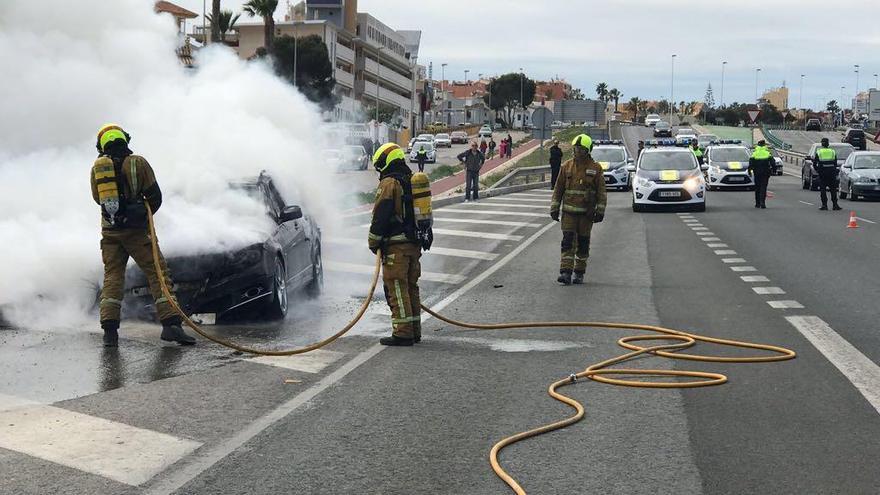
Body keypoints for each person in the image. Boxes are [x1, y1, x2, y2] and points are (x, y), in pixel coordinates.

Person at [90, 124, 195, 347]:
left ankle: (110, 334)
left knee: (112, 279)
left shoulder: (98, 168)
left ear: (102, 145)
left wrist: (118, 213)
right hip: (138, 233)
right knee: (158, 273)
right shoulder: (138, 163)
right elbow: (155, 195)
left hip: (110, 233)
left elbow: (98, 199)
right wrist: (139, 215)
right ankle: (171, 325)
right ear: (125, 140)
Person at [368, 143, 430, 346]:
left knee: (397, 287)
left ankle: (403, 333)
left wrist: (373, 241)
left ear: (385, 161)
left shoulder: (389, 183)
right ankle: (415, 330)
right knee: (411, 286)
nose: (379, 171)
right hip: (414, 244)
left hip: (397, 246)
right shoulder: (411, 180)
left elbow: (381, 215)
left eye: (379, 166)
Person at [550, 134, 607, 285]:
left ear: (588, 151)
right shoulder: (566, 166)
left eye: (581, 149)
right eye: (576, 149)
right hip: (568, 213)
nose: (578, 152)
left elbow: (601, 192)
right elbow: (558, 189)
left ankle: (579, 272)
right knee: (567, 242)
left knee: (583, 244)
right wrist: (554, 208)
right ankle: (565, 272)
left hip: (586, 215)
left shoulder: (596, 169)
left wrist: (600, 211)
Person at [813, 137, 842, 210]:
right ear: (828, 143)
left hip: (822, 174)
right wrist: (834, 171)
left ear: (822, 144)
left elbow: (814, 164)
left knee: (823, 190)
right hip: (831, 174)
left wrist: (818, 171)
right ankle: (835, 205)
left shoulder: (819, 152)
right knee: (833, 190)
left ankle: (824, 205)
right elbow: (835, 163)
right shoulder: (832, 151)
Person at [748, 139, 773, 209]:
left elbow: (751, 163)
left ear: (758, 145)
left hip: (757, 172)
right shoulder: (767, 152)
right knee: (763, 187)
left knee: (757, 188)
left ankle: (757, 203)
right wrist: (773, 170)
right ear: (764, 145)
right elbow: (773, 163)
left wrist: (749, 170)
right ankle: (763, 203)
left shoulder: (755, 153)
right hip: (765, 172)